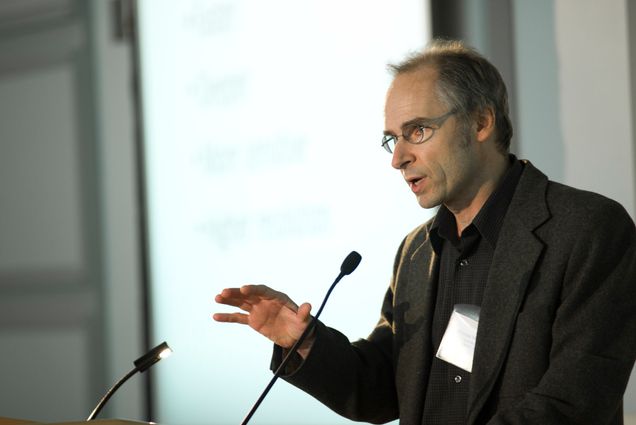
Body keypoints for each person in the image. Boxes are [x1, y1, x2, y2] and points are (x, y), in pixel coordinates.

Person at [213, 39, 636, 424]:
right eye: (391, 139)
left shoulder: (587, 230)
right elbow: (381, 391)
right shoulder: (416, 252)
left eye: (417, 131)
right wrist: (306, 344)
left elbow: (572, 404)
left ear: (481, 122)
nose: (397, 158)